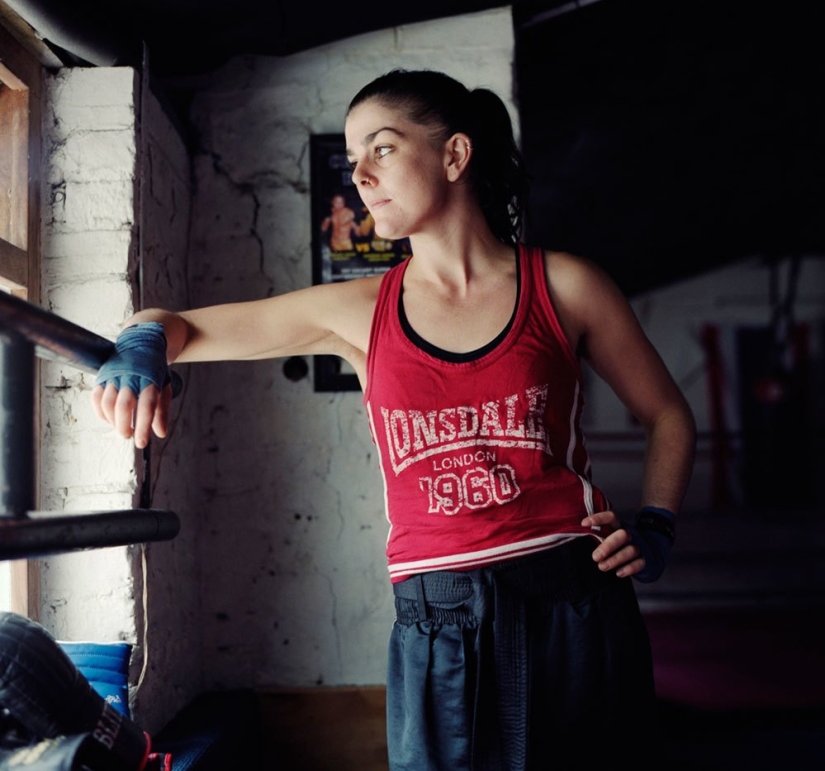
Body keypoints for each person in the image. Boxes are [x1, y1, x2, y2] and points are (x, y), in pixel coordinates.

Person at [91, 68, 697, 769]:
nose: (360, 177)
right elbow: (177, 327)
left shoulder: (565, 284)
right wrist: (141, 343)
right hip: (437, 616)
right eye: (352, 161)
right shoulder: (357, 310)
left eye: (380, 149)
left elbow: (666, 414)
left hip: (572, 597)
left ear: (454, 155)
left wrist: (655, 525)